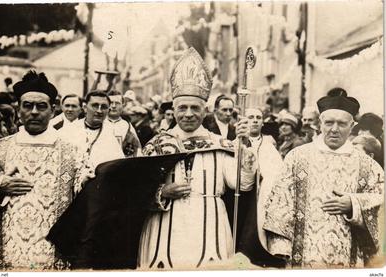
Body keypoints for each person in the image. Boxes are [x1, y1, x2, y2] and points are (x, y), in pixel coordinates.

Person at [138, 47, 257, 269]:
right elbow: (135, 190)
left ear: (205, 111)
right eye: (182, 107)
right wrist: (161, 192)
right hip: (164, 228)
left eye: (195, 107)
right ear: (173, 110)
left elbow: (241, 184)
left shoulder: (220, 144)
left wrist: (245, 151)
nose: (189, 113)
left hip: (209, 227)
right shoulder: (155, 145)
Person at [0, 71, 87, 270]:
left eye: (41, 106)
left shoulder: (72, 153)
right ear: (19, 108)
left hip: (52, 251)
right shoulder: (0, 148)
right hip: (5, 249)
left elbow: (86, 187)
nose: (34, 112)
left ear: (53, 110)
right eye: (27, 105)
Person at [263, 88, 384, 268]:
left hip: (348, 257)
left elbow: (382, 205)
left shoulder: (368, 166)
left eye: (342, 124)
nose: (334, 129)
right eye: (329, 123)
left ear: (352, 127)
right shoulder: (297, 158)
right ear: (320, 124)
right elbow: (279, 205)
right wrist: (281, 251)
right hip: (302, 258)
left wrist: (354, 204)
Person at [222, 108, 284, 267]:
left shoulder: (269, 146)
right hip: (239, 198)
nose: (255, 120)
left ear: (263, 122)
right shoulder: (232, 144)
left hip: (261, 199)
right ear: (243, 122)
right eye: (251, 117)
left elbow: (279, 174)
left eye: (258, 117)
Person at [59, 90, 124, 169]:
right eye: (95, 106)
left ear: (108, 110)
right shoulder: (68, 131)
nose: (99, 111)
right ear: (85, 108)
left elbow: (117, 165)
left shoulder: (112, 133)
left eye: (103, 107)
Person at [103, 90, 142, 157]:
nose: (113, 106)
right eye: (111, 103)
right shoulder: (99, 123)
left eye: (117, 103)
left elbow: (137, 150)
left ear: (123, 105)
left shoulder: (127, 126)